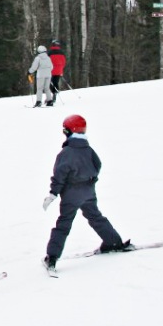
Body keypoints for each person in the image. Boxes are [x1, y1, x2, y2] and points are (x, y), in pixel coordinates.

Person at [43, 114, 130, 272]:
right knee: (96, 217)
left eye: (65, 130)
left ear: (70, 131)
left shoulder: (66, 153)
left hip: (71, 193)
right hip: (88, 191)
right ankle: (113, 241)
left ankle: (52, 257)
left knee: (63, 224)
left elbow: (59, 175)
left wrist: (53, 193)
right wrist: (90, 179)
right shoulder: (89, 150)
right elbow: (98, 165)